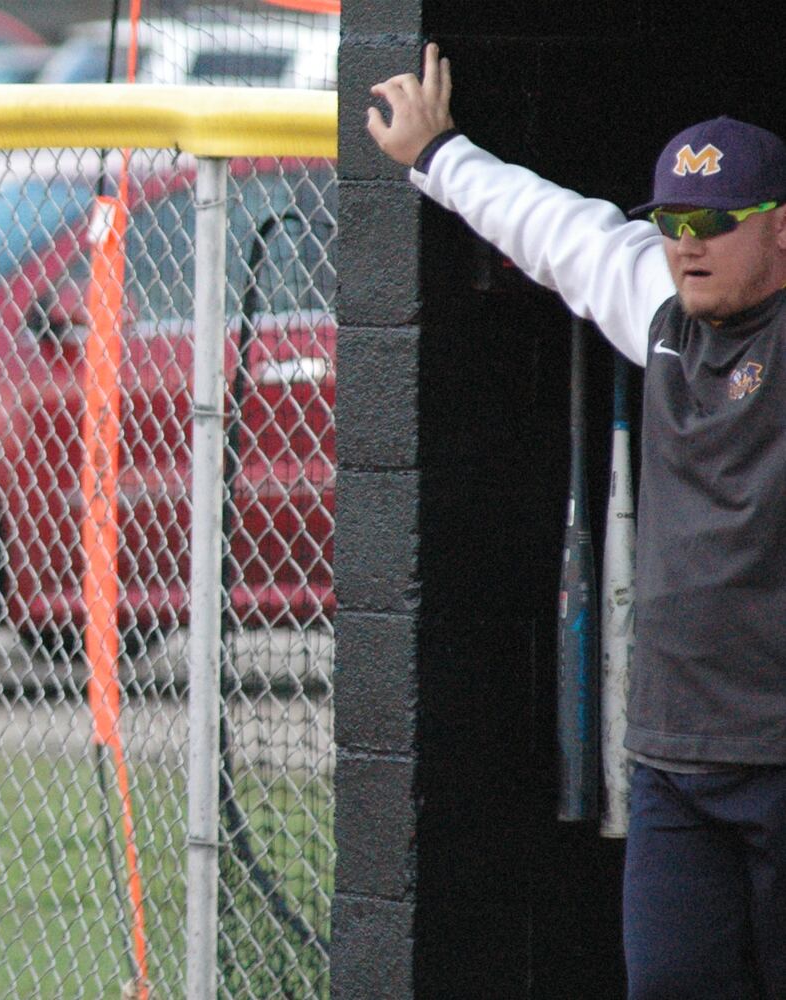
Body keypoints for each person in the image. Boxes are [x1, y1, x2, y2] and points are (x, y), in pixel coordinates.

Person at [367, 43, 786, 1000]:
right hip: (677, 762)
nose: (688, 241)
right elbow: (563, 232)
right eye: (674, 219)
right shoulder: (662, 312)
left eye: (716, 221)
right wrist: (438, 155)